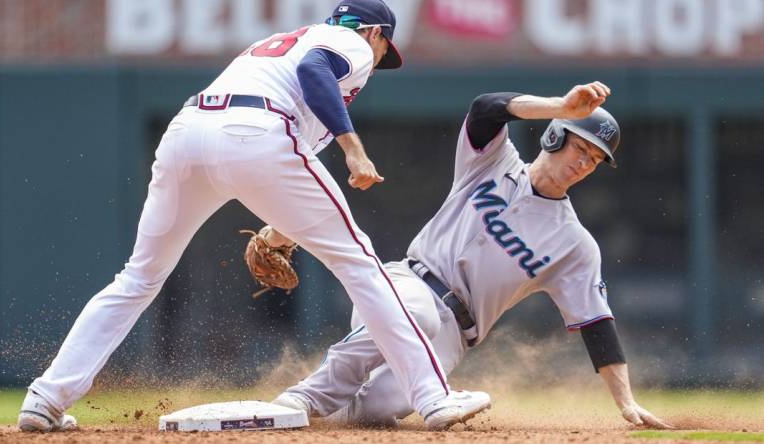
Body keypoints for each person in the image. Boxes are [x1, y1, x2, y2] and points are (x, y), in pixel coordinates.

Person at [18, 0, 488, 432]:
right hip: (256, 129)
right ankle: (434, 397)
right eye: (384, 48)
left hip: (188, 134)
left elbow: (288, 173)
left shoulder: (274, 48)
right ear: (374, 32)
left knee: (138, 278)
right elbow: (313, 70)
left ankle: (45, 398)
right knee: (362, 266)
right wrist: (354, 149)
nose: (378, 61)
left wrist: (278, 232)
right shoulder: (347, 41)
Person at [270, 82, 674, 430]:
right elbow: (486, 108)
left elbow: (597, 324)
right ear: (555, 136)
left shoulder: (574, 244)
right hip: (408, 282)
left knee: (381, 408)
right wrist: (559, 105)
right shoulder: (493, 162)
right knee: (418, 313)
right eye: (581, 147)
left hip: (455, 336)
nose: (584, 162)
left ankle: (320, 418)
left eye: (595, 159)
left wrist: (626, 401)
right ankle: (306, 395)